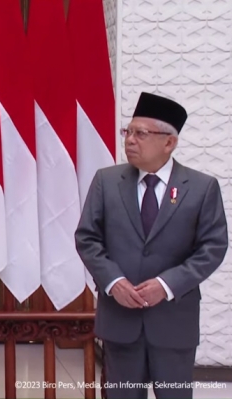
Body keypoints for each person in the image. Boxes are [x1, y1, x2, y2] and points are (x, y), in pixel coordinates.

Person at [75, 92, 228, 399]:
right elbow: (87, 238)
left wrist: (166, 284)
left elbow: (213, 247)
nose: (130, 140)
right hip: (120, 320)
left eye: (141, 134)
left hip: (174, 321)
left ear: (169, 142)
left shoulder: (201, 188)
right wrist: (114, 281)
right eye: (127, 132)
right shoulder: (107, 181)